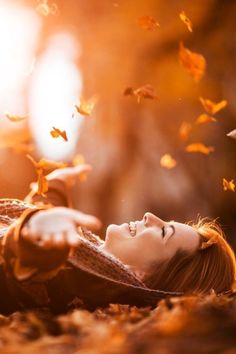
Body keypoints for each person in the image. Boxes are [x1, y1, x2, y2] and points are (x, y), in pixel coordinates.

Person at [0, 165, 235, 314]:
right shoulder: (90, 262)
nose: (149, 216)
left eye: (164, 232)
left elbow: (23, 274)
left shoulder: (80, 281)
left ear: (144, 277)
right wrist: (55, 189)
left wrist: (33, 238)